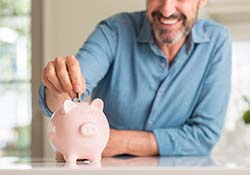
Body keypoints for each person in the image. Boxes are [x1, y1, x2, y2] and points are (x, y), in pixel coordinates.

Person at [39, 0, 232, 157]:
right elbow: (66, 98)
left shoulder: (216, 41)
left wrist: (119, 141)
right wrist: (58, 86)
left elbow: (204, 136)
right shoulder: (114, 30)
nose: (166, 9)